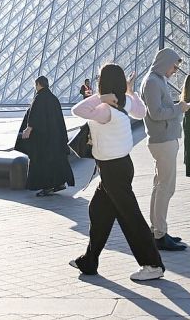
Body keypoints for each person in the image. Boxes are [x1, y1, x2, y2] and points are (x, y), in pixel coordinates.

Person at [70, 63, 165, 281]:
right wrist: (128, 91)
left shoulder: (104, 110)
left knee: (130, 218)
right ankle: (89, 260)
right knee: (98, 211)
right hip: (121, 166)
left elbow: (78, 110)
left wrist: (101, 98)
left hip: (112, 169)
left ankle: (152, 264)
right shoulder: (125, 102)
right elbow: (141, 113)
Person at [141, 49, 190, 252]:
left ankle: (157, 230)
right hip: (163, 140)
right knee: (165, 188)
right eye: (174, 66)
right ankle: (159, 234)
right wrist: (179, 108)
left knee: (160, 186)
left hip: (164, 139)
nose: (175, 70)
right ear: (165, 62)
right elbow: (156, 113)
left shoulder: (156, 79)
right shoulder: (153, 82)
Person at [15, 76, 75, 196]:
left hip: (43, 140)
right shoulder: (53, 98)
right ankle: (59, 183)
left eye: (35, 85)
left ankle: (46, 187)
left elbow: (34, 116)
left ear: (38, 84)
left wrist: (28, 129)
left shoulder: (39, 98)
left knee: (42, 163)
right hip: (56, 138)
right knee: (56, 161)